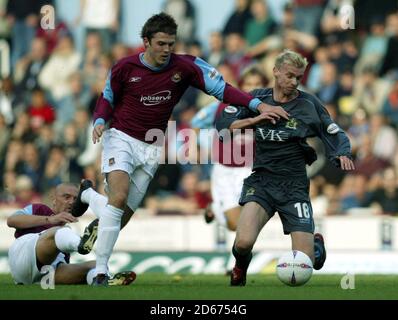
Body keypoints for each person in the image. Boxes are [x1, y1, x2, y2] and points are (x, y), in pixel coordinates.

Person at [86, 12, 289, 286]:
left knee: (122, 214)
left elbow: (223, 89)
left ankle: (88, 196)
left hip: (153, 145)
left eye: (171, 44)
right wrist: (99, 120)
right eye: (160, 44)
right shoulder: (125, 67)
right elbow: (107, 97)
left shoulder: (186, 66)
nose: (167, 50)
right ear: (145, 42)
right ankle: (101, 271)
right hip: (121, 137)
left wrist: (258, 105)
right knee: (119, 196)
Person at [216, 50, 355, 286]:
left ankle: (316, 248)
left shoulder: (308, 104)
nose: (293, 82)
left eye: (298, 78)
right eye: (289, 75)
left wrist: (341, 152)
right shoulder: (256, 100)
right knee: (242, 243)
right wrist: (257, 118)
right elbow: (223, 125)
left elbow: (332, 130)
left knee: (305, 262)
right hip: (261, 182)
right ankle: (240, 268)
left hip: (294, 187)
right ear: (276, 71)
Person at [7, 182, 135, 286]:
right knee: (59, 232)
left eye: (75, 199)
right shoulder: (39, 209)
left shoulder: (67, 231)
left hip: (44, 276)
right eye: (66, 197)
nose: (71, 202)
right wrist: (50, 219)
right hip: (23, 254)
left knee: (98, 265)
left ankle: (100, 281)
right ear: (54, 199)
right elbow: (11, 220)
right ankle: (81, 244)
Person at [191, 65, 268, 231]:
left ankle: (216, 209)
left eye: (258, 83)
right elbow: (196, 123)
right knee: (235, 225)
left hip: (250, 170)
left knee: (247, 224)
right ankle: (217, 209)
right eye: (248, 83)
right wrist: (198, 147)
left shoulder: (268, 110)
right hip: (224, 171)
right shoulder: (222, 106)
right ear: (241, 86)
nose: (252, 87)